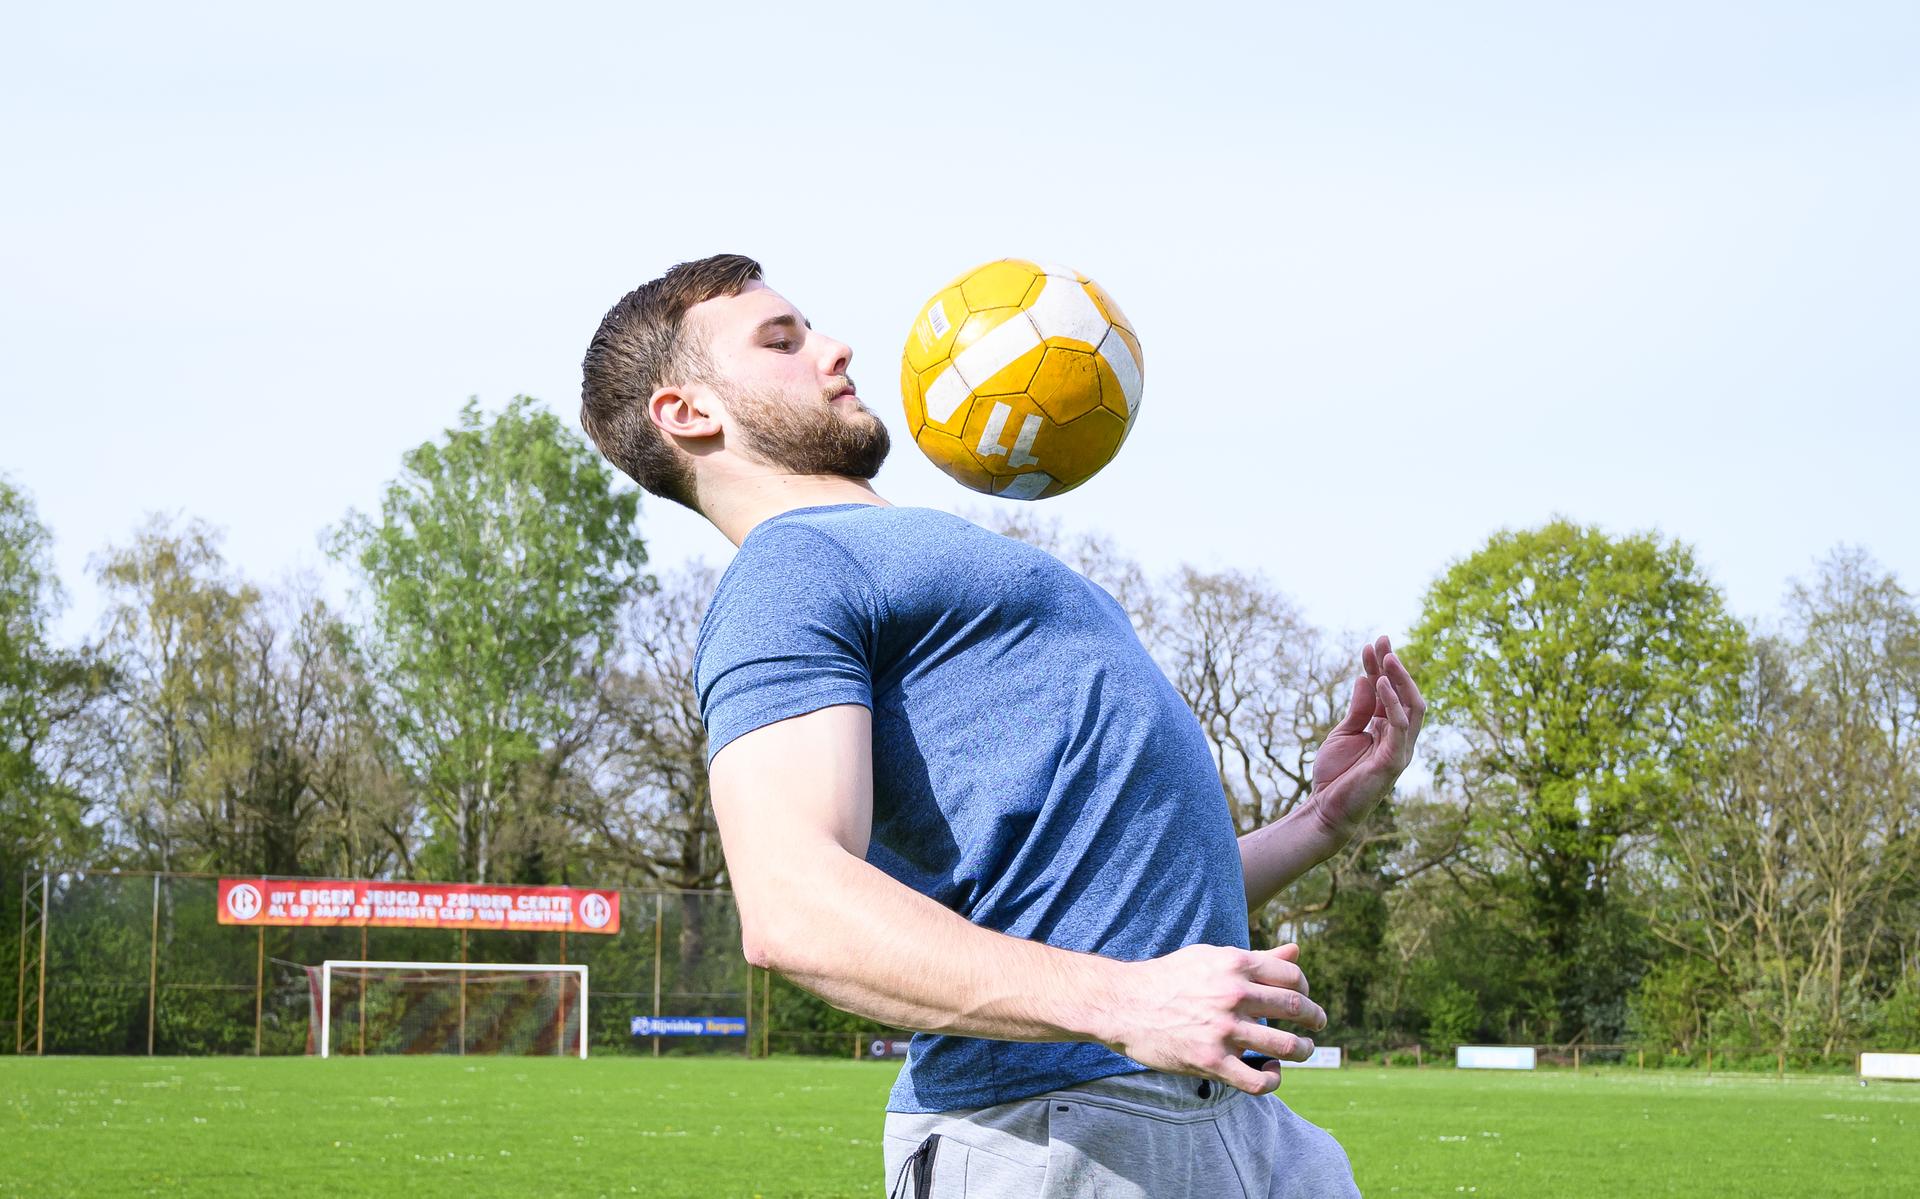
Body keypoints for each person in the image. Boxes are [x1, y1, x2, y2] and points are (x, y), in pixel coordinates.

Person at [579, 254, 1425, 1197]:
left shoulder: (910, 551)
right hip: (1056, 1136)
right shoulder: (790, 572)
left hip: (1238, 1122)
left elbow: (1101, 883)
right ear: (688, 412)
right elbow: (793, 907)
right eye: (782, 339)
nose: (835, 346)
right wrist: (1130, 1002)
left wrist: (1321, 823)